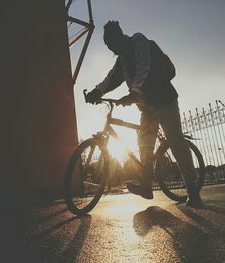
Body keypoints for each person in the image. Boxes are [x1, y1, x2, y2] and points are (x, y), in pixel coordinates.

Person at [85, 21, 202, 208]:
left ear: (118, 37)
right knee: (144, 144)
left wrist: (133, 93)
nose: (111, 49)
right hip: (147, 107)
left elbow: (144, 67)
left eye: (111, 44)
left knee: (175, 140)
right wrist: (97, 92)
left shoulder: (139, 42)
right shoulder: (122, 59)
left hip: (164, 100)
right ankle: (146, 186)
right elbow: (111, 78)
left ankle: (193, 188)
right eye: (107, 46)